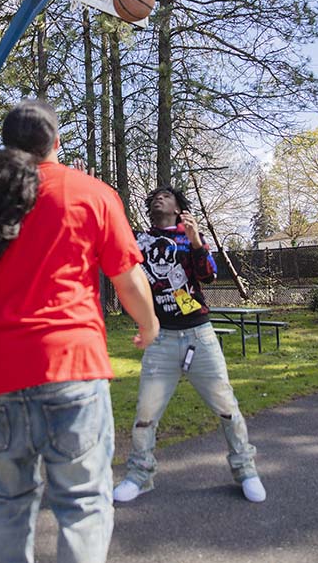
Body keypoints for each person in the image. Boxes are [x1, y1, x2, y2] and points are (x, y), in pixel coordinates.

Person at [0, 99, 159, 563]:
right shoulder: (91, 193)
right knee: (81, 505)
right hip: (71, 369)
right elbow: (128, 279)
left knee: (8, 504)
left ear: (8, 144)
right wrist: (149, 323)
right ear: (56, 143)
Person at [113, 185, 266, 504]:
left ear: (178, 207)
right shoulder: (140, 239)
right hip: (161, 339)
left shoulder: (190, 236)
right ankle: (139, 476)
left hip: (199, 335)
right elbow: (126, 273)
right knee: (145, 412)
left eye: (166, 196)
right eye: (154, 196)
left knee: (227, 407)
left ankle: (246, 470)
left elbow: (208, 275)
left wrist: (196, 240)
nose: (159, 198)